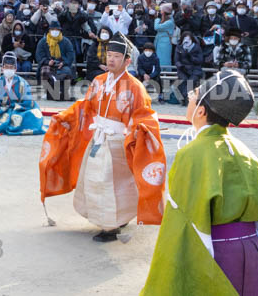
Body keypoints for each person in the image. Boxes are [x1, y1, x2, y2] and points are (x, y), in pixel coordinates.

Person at [141, 70, 258, 295]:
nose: (189, 98)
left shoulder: (191, 154)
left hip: (217, 257)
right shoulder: (243, 150)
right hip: (253, 251)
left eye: (193, 94)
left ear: (201, 111)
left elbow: (186, 222)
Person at [38, 32, 165, 241]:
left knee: (112, 184)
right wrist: (65, 117)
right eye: (109, 55)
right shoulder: (99, 80)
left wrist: (137, 131)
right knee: (96, 180)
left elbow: (144, 114)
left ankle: (111, 226)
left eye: (117, 56)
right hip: (99, 136)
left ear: (127, 61)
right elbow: (85, 107)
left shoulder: (135, 87)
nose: (111, 59)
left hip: (119, 140)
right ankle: (112, 219)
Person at [35, 20, 76, 101]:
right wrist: (47, 62)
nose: (55, 31)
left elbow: (71, 55)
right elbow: (39, 56)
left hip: (62, 64)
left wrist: (64, 63)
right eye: (53, 29)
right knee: (45, 71)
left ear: (60, 31)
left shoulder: (66, 42)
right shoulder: (43, 42)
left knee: (67, 71)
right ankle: (47, 91)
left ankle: (63, 92)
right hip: (48, 64)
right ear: (49, 30)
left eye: (57, 29)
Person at [173, 30, 205, 106]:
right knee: (183, 81)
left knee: (190, 82)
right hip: (183, 69)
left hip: (195, 70)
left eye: (189, 39)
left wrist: (191, 57)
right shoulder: (179, 47)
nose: (187, 41)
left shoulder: (197, 47)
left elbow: (200, 60)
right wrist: (180, 66)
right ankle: (186, 99)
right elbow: (176, 60)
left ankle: (185, 99)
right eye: (185, 38)